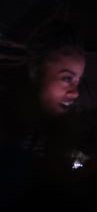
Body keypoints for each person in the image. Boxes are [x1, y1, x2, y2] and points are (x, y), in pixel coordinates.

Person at [0, 15, 89, 210]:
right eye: (67, 78)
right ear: (36, 72)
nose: (75, 93)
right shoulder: (8, 136)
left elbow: (78, 161)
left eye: (78, 81)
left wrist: (84, 165)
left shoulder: (60, 131)